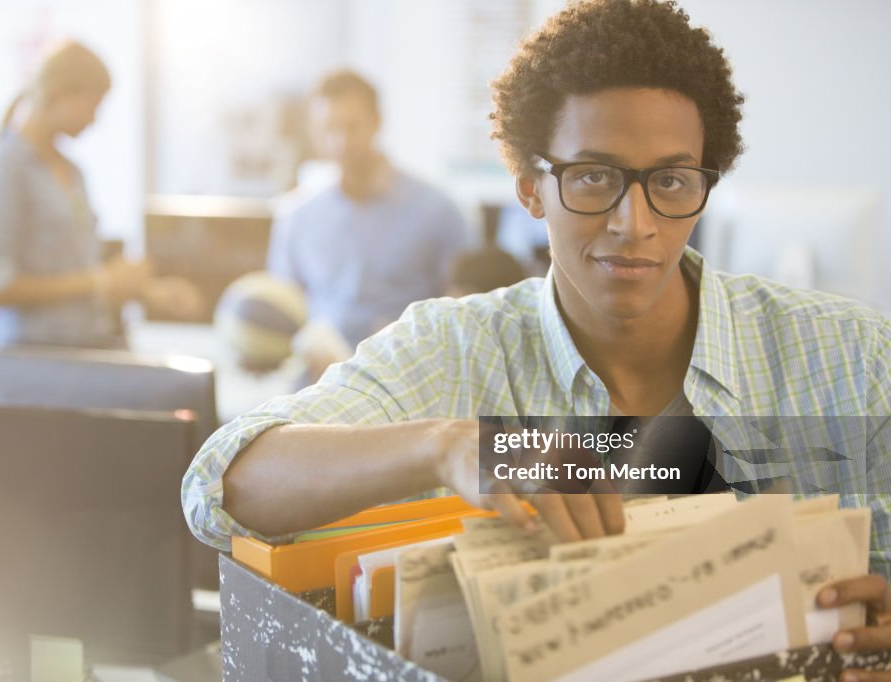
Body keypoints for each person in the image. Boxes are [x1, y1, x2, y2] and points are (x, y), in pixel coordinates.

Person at [184, 0, 891, 671]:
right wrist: (452, 445)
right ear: (529, 186)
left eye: (671, 182)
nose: (634, 223)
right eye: (592, 178)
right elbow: (220, 488)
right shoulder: (454, 348)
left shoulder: (856, 357)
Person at [0, 40, 200, 348]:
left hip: (85, 346)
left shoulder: (73, 171)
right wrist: (99, 280)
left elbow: (80, 272)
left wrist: (144, 289)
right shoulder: (6, 168)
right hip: (30, 358)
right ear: (62, 94)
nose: (95, 119)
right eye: (94, 104)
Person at [267, 70, 470, 353]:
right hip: (317, 381)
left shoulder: (438, 211)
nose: (340, 142)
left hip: (404, 378)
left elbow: (463, 311)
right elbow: (281, 307)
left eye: (351, 127)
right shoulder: (297, 215)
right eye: (328, 129)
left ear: (376, 122)